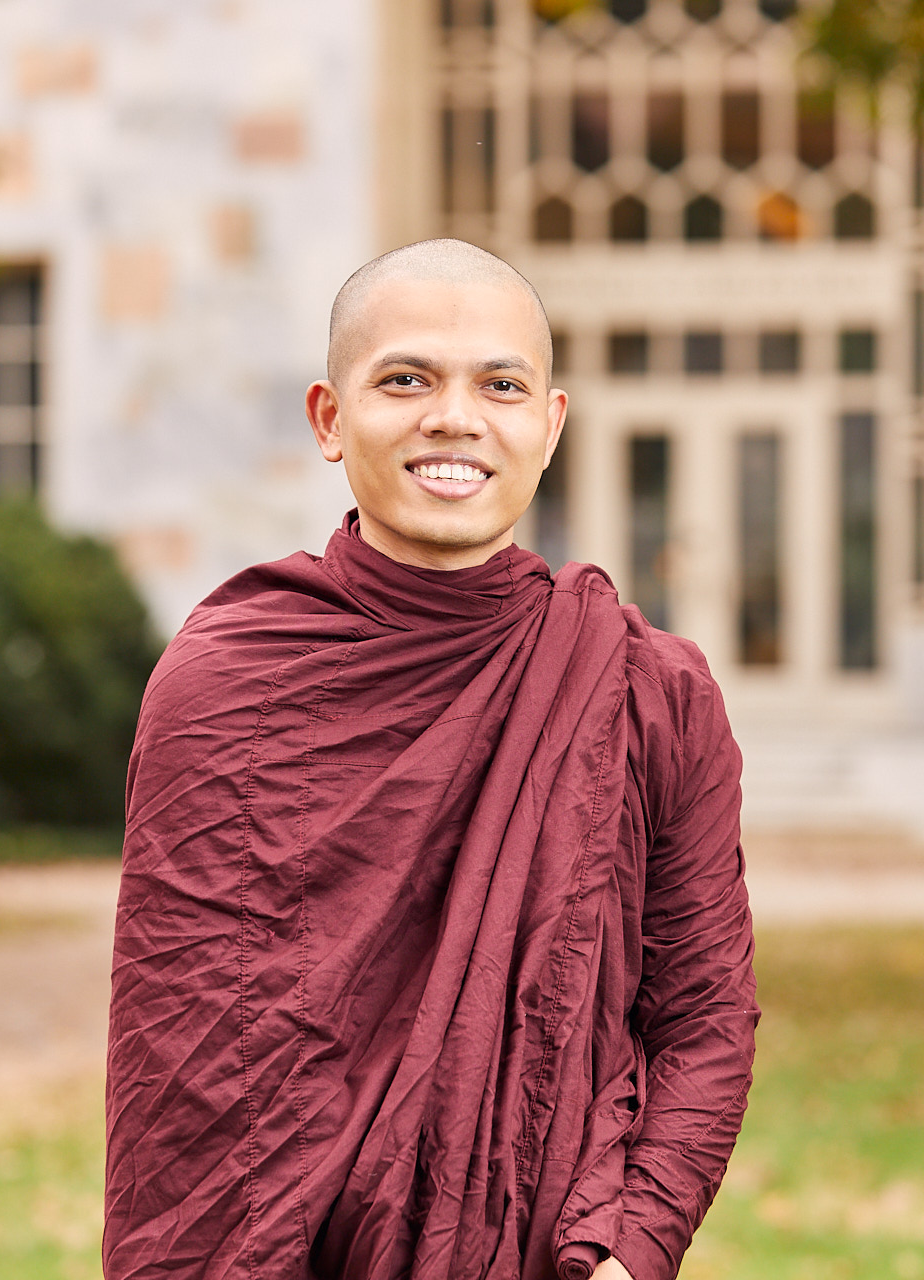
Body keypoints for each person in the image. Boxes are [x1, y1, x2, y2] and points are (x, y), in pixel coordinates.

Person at [104, 239, 758, 1280]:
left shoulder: (647, 690)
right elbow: (184, 1042)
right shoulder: (230, 679)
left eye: (500, 384)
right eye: (405, 378)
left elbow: (705, 1016)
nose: (454, 417)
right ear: (329, 417)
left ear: (548, 426)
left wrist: (634, 1247)